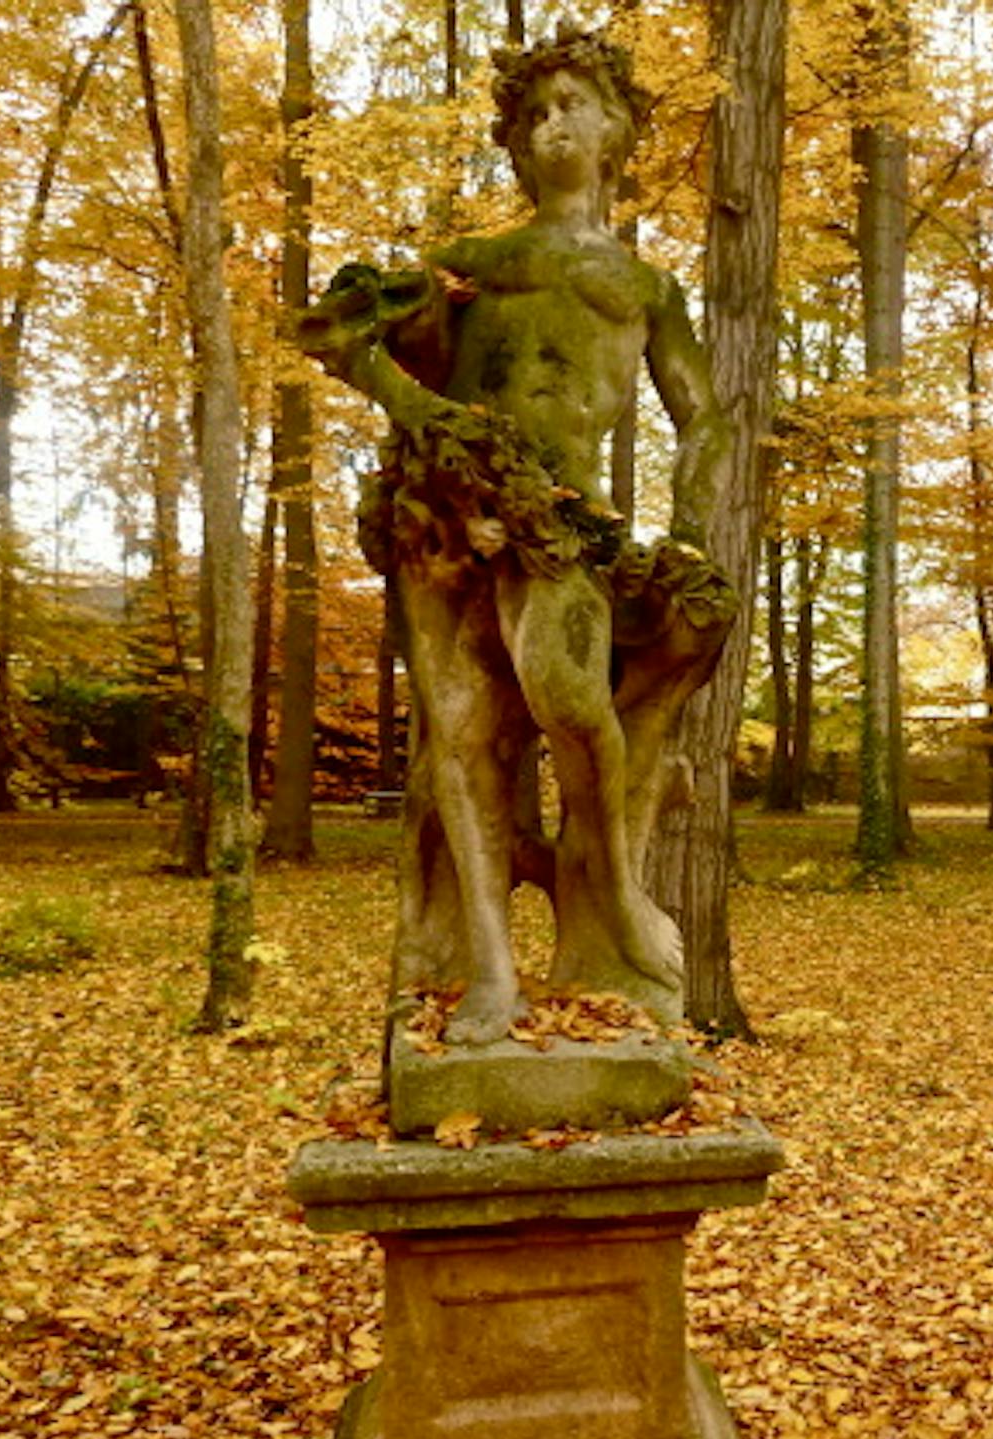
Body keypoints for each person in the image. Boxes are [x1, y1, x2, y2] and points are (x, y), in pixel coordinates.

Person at [297, 29, 735, 1037]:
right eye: (534, 115)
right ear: (515, 143)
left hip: (561, 515)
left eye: (574, 105)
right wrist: (401, 346)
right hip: (449, 507)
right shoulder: (470, 263)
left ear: (616, 127)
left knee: (575, 699)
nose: (553, 127)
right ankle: (490, 969)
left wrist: (695, 527)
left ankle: (617, 895)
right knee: (463, 739)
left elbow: (702, 413)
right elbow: (372, 344)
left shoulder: (647, 287)